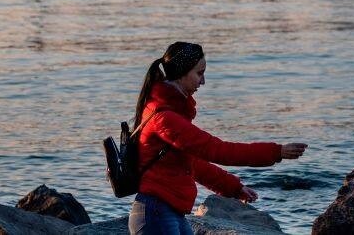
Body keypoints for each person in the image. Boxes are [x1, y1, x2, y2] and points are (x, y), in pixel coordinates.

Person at [128, 42, 307, 235]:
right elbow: (218, 150)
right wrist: (275, 151)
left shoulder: (168, 111)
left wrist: (234, 188)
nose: (203, 81)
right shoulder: (165, 118)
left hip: (169, 211)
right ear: (182, 72)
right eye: (199, 73)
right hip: (157, 214)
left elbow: (193, 164)